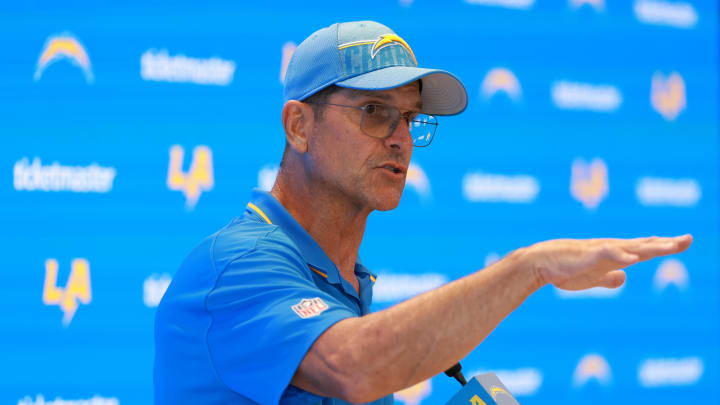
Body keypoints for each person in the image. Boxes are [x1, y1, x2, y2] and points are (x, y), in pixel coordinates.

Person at [153, 21, 692, 405]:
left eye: (410, 119)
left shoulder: (343, 281)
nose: (401, 140)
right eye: (373, 112)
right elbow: (355, 367)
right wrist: (529, 267)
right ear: (298, 126)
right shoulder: (236, 266)